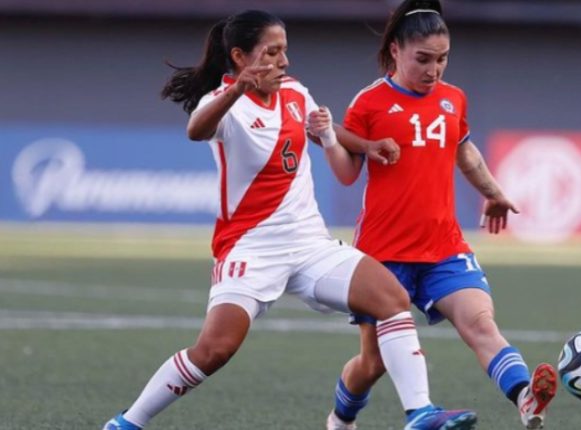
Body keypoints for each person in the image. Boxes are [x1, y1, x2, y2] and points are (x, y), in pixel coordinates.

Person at [102, 10, 477, 430]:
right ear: (241, 57)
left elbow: (321, 128)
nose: (283, 61)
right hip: (251, 247)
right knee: (214, 350)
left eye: (285, 51)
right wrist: (235, 91)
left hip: (309, 243)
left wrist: (366, 144)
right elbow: (196, 129)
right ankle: (127, 423)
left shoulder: (295, 92)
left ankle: (420, 412)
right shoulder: (224, 104)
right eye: (272, 52)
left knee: (391, 299)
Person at [323, 1, 557, 430]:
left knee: (480, 323)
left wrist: (494, 192)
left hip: (442, 247)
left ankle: (525, 396)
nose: (435, 70)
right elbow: (348, 161)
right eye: (423, 59)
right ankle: (340, 420)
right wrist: (332, 139)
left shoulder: (453, 99)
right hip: (384, 252)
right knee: (372, 363)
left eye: (443, 59)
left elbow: (463, 150)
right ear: (395, 51)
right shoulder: (371, 101)